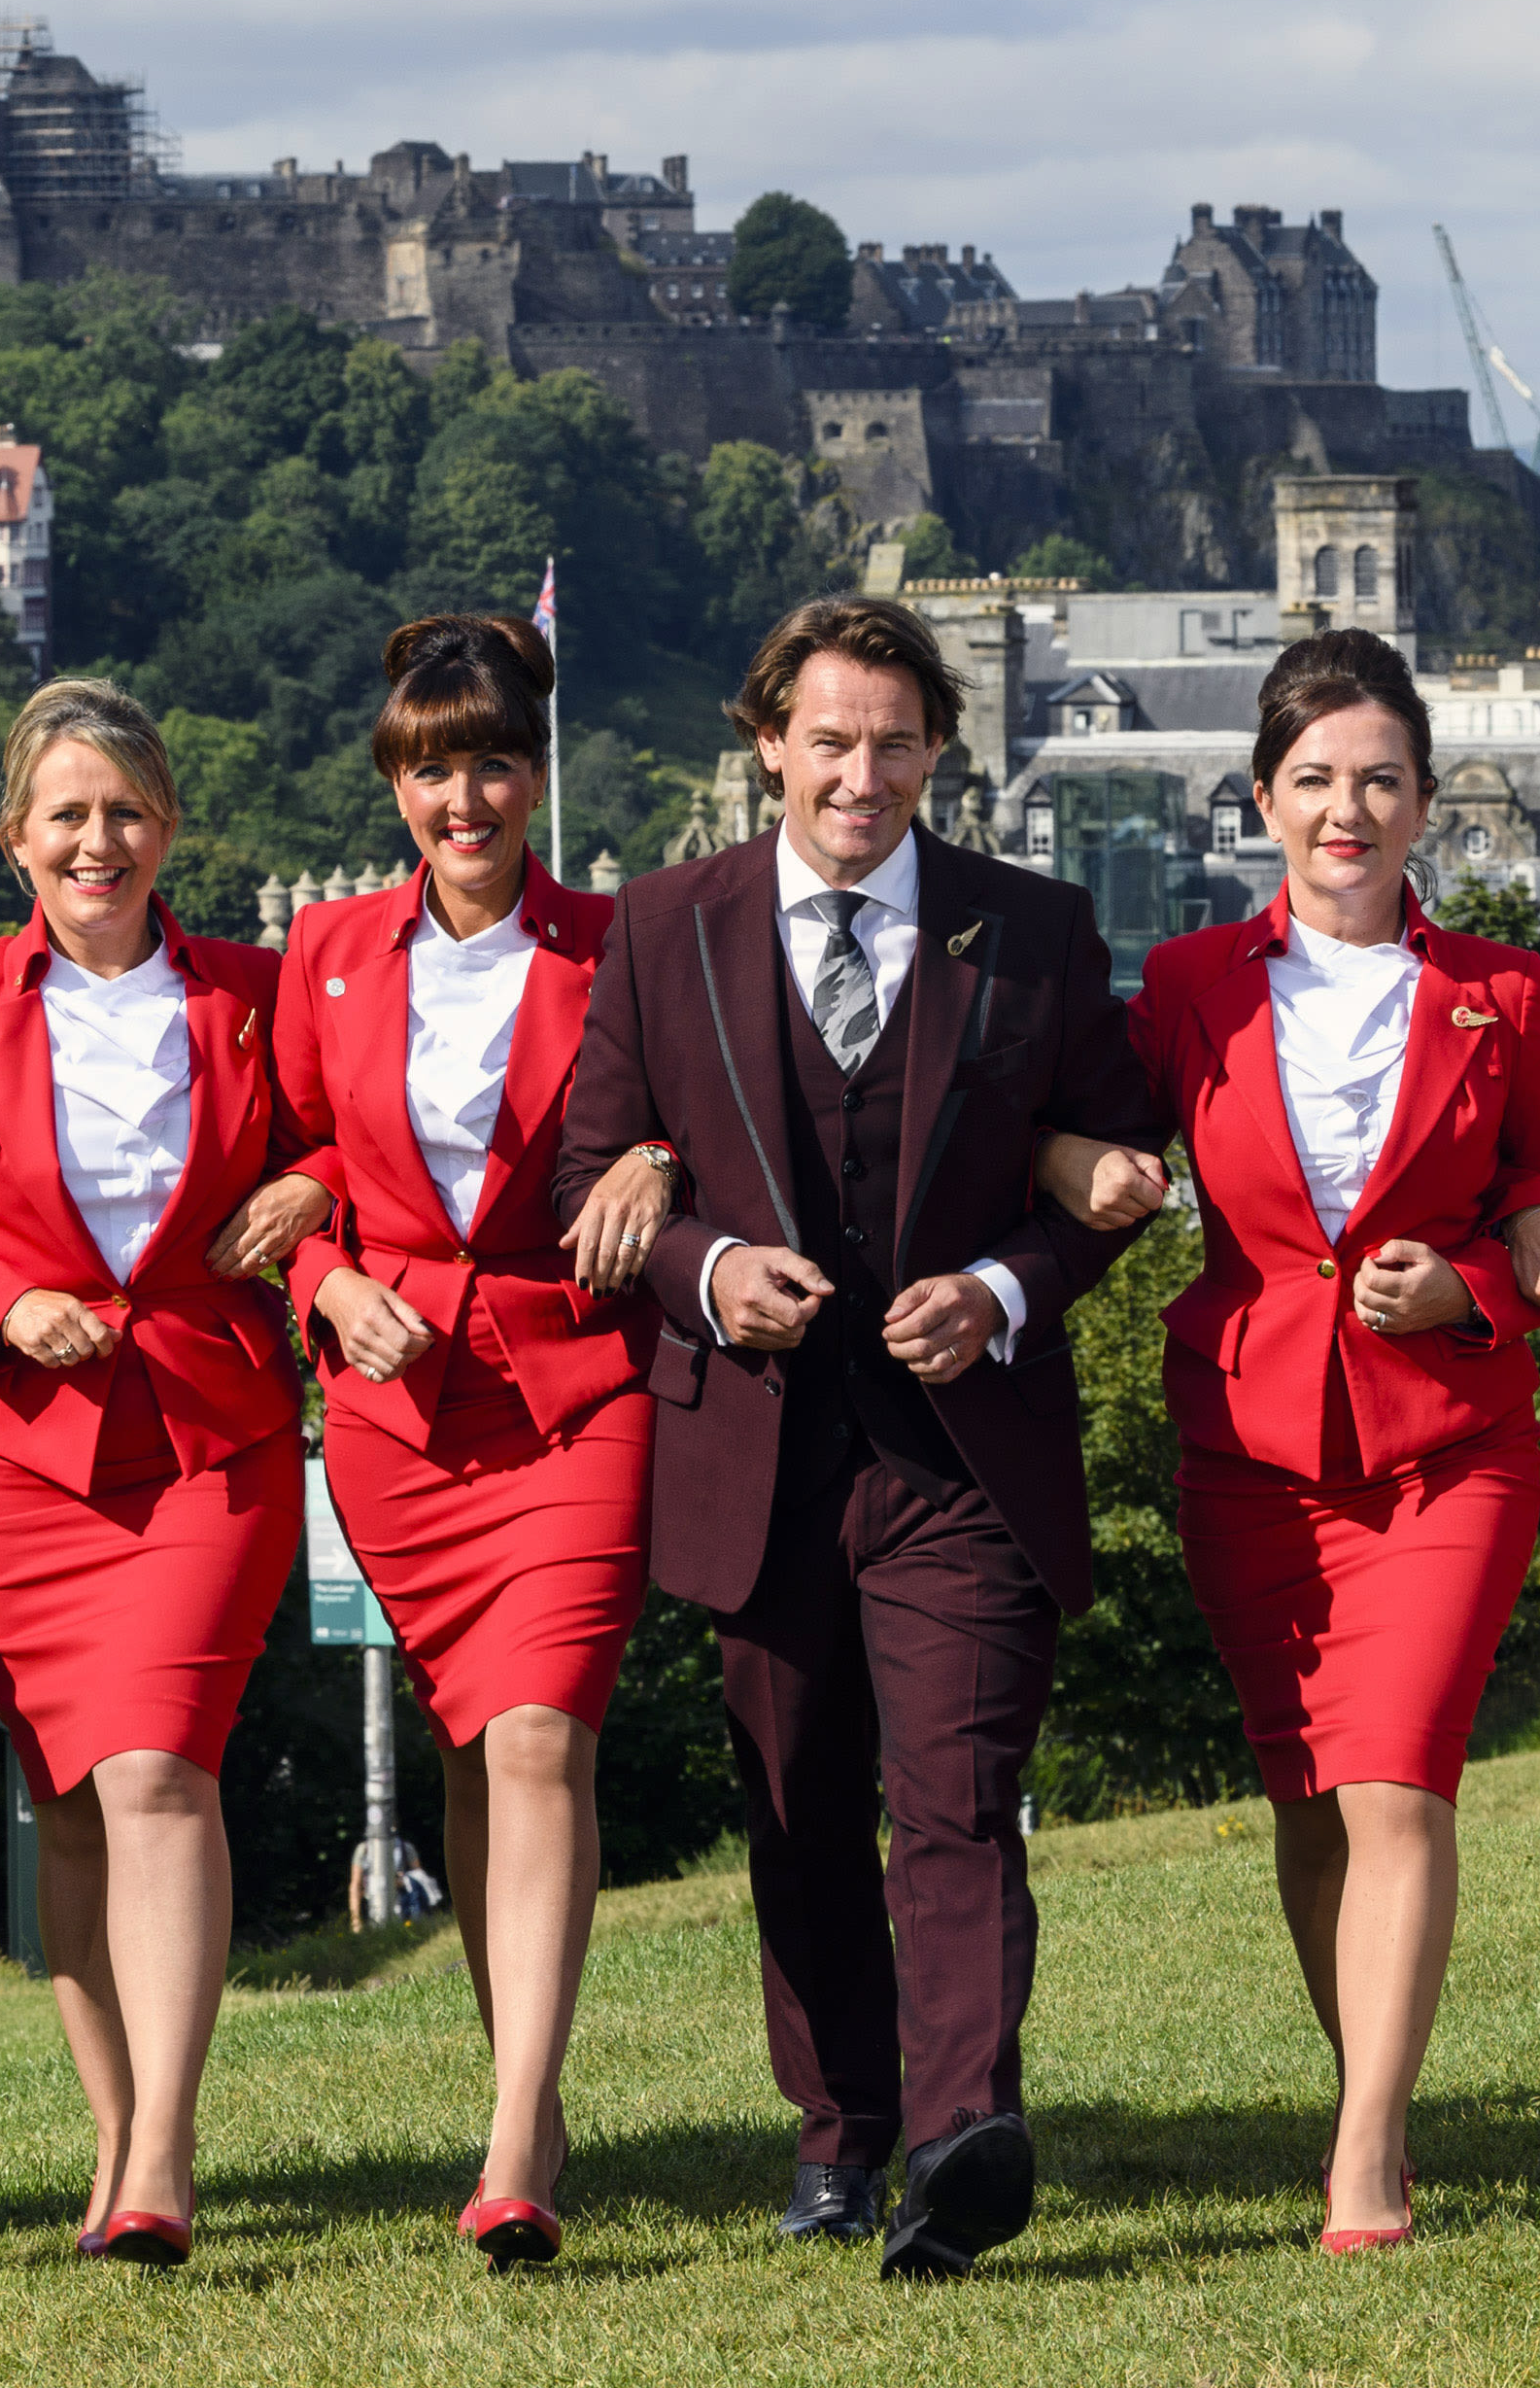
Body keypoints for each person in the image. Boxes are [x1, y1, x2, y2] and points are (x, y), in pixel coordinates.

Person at [553, 594, 1170, 2279]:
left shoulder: (1032, 932)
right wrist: (703, 1266)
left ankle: (965, 2141)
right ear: (769, 743)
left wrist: (1002, 1287)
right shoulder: (663, 924)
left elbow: (1113, 1167)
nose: (862, 773)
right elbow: (582, 1175)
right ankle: (842, 2134)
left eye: (896, 742)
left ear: (937, 753)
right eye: (830, 738)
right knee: (800, 1805)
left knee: (957, 1795)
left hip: (961, 1455)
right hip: (751, 1451)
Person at [1064, 630, 1540, 2253]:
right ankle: (1364, 2079)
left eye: (1381, 779)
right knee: (1307, 1795)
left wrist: (1478, 1283)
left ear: (1428, 803)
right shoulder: (1184, 988)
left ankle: (1368, 2148)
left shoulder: (1505, 989)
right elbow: (1080, 1126)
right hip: (1249, 1449)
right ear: (1262, 801)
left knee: (1397, 1785)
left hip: (1449, 1444)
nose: (1349, 810)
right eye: (1316, 780)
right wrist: (1064, 1175)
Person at [0, 678, 331, 2268]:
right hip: (16, 1454)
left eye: (125, 810)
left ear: (170, 827)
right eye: (67, 815)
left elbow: (352, 1136)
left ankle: (170, 2155)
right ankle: (112, 2135)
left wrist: (313, 1184)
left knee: (159, 1771)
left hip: (212, 1428)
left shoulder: (262, 991)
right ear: (15, 842)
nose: (97, 840)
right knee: (64, 1798)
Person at [268, 617, 679, 2267]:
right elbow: (291, 1156)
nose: (465, 795)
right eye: (433, 766)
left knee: (537, 1740)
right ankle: (529, 2086)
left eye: (493, 762)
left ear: (538, 774)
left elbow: (705, 1108)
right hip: (398, 1410)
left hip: (581, 1388)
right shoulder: (327, 953)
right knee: (466, 1743)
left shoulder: (627, 940)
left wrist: (664, 1161)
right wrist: (322, 1283)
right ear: (395, 779)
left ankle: (514, 2141)